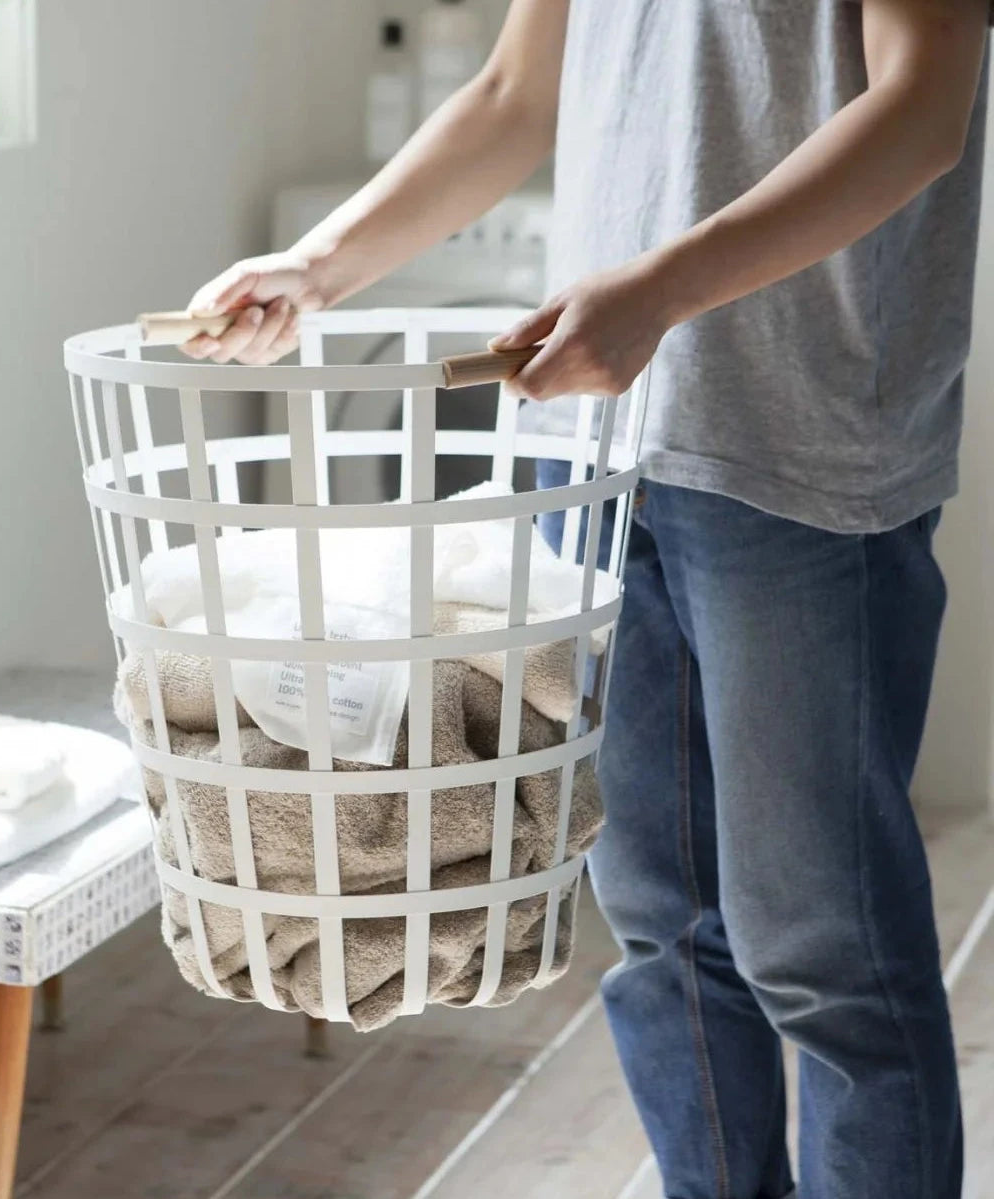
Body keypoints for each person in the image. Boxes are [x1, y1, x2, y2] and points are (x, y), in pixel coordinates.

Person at [182, 2, 990, 1195]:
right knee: (659, 922)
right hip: (599, 449)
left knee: (822, 949)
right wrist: (324, 262)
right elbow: (518, 92)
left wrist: (660, 289)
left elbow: (922, 109)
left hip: (802, 451)